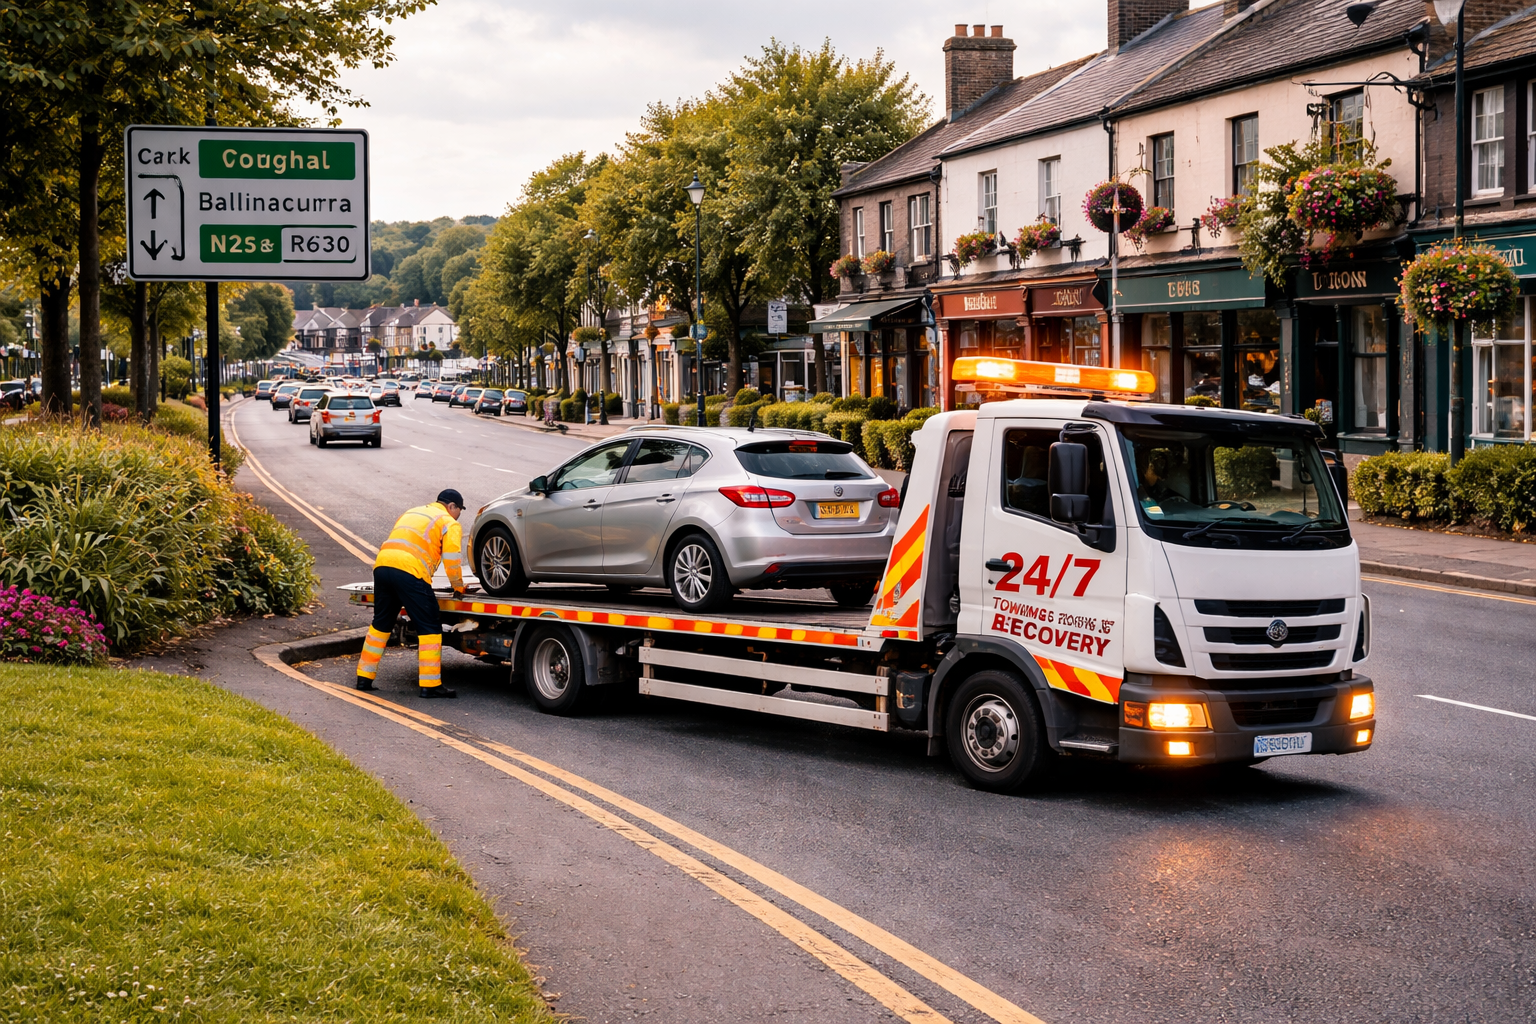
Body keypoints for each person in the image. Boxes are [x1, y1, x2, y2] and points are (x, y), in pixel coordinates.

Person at [355, 488, 469, 698]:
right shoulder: (448, 522)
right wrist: (458, 586)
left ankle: (364, 677)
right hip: (410, 572)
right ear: (452, 506)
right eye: (459, 510)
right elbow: (452, 559)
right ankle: (431, 685)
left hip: (382, 567)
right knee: (430, 624)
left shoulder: (413, 512)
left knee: (381, 623)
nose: (458, 515)